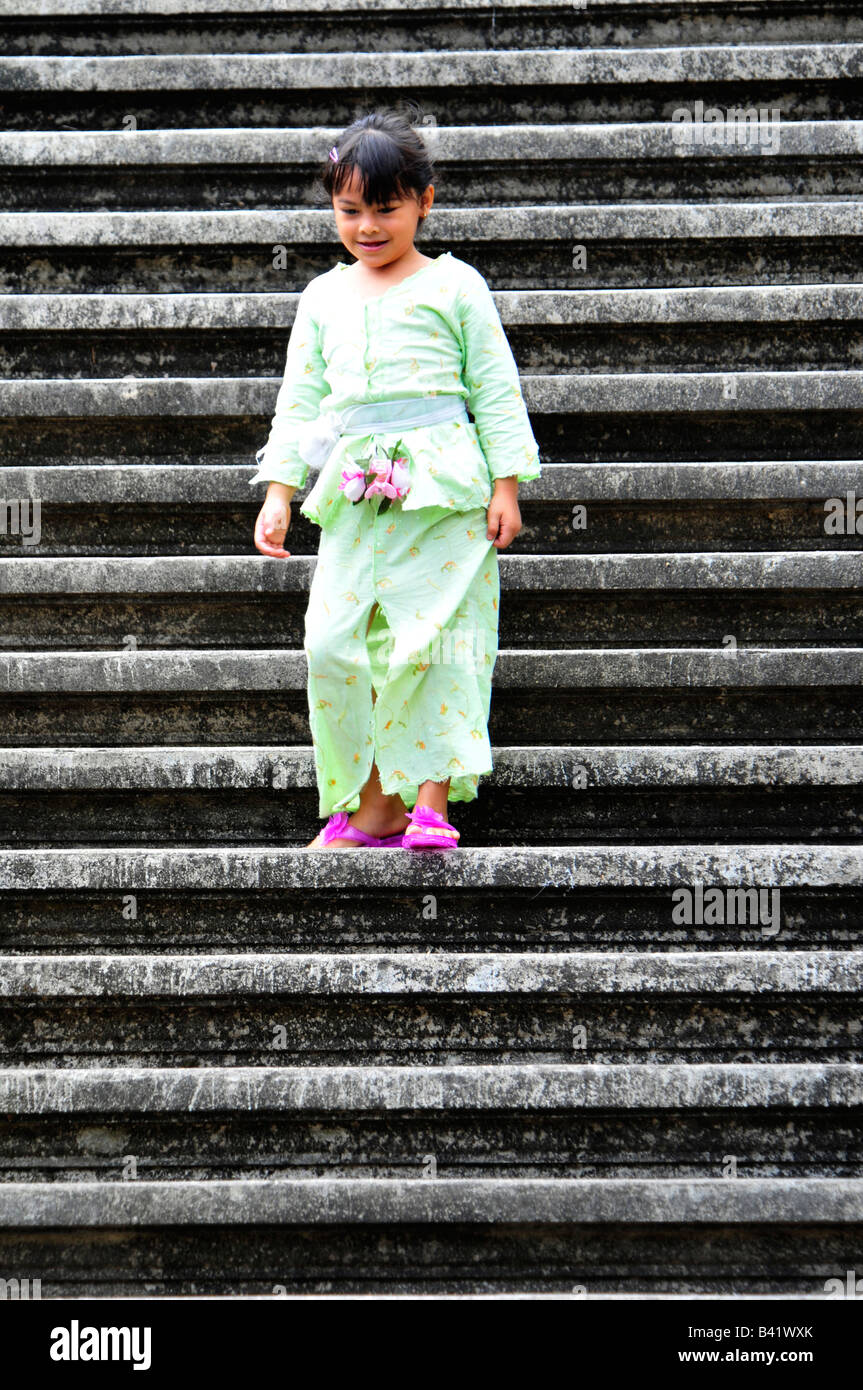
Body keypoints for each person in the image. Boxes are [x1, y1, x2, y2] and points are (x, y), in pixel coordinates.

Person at [250, 108, 541, 851]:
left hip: (445, 492)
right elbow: (301, 400)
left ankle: (430, 806)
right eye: (350, 211)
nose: (367, 226)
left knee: (436, 638)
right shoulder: (321, 297)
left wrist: (506, 484)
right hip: (353, 494)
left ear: (424, 202)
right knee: (336, 642)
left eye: (386, 209)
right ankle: (371, 805)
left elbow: (494, 387)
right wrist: (280, 491)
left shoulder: (456, 285)